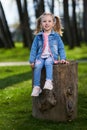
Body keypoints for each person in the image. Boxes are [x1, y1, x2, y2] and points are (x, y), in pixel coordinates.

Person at [29, 12, 69, 97]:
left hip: (51, 57)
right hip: (40, 57)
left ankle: (49, 81)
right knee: (38, 65)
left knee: (48, 63)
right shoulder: (38, 37)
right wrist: (32, 61)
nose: (47, 23)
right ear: (41, 23)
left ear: (53, 23)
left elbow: (61, 48)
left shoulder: (56, 36)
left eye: (49, 21)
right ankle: (37, 87)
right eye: (44, 21)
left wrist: (63, 58)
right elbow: (33, 49)